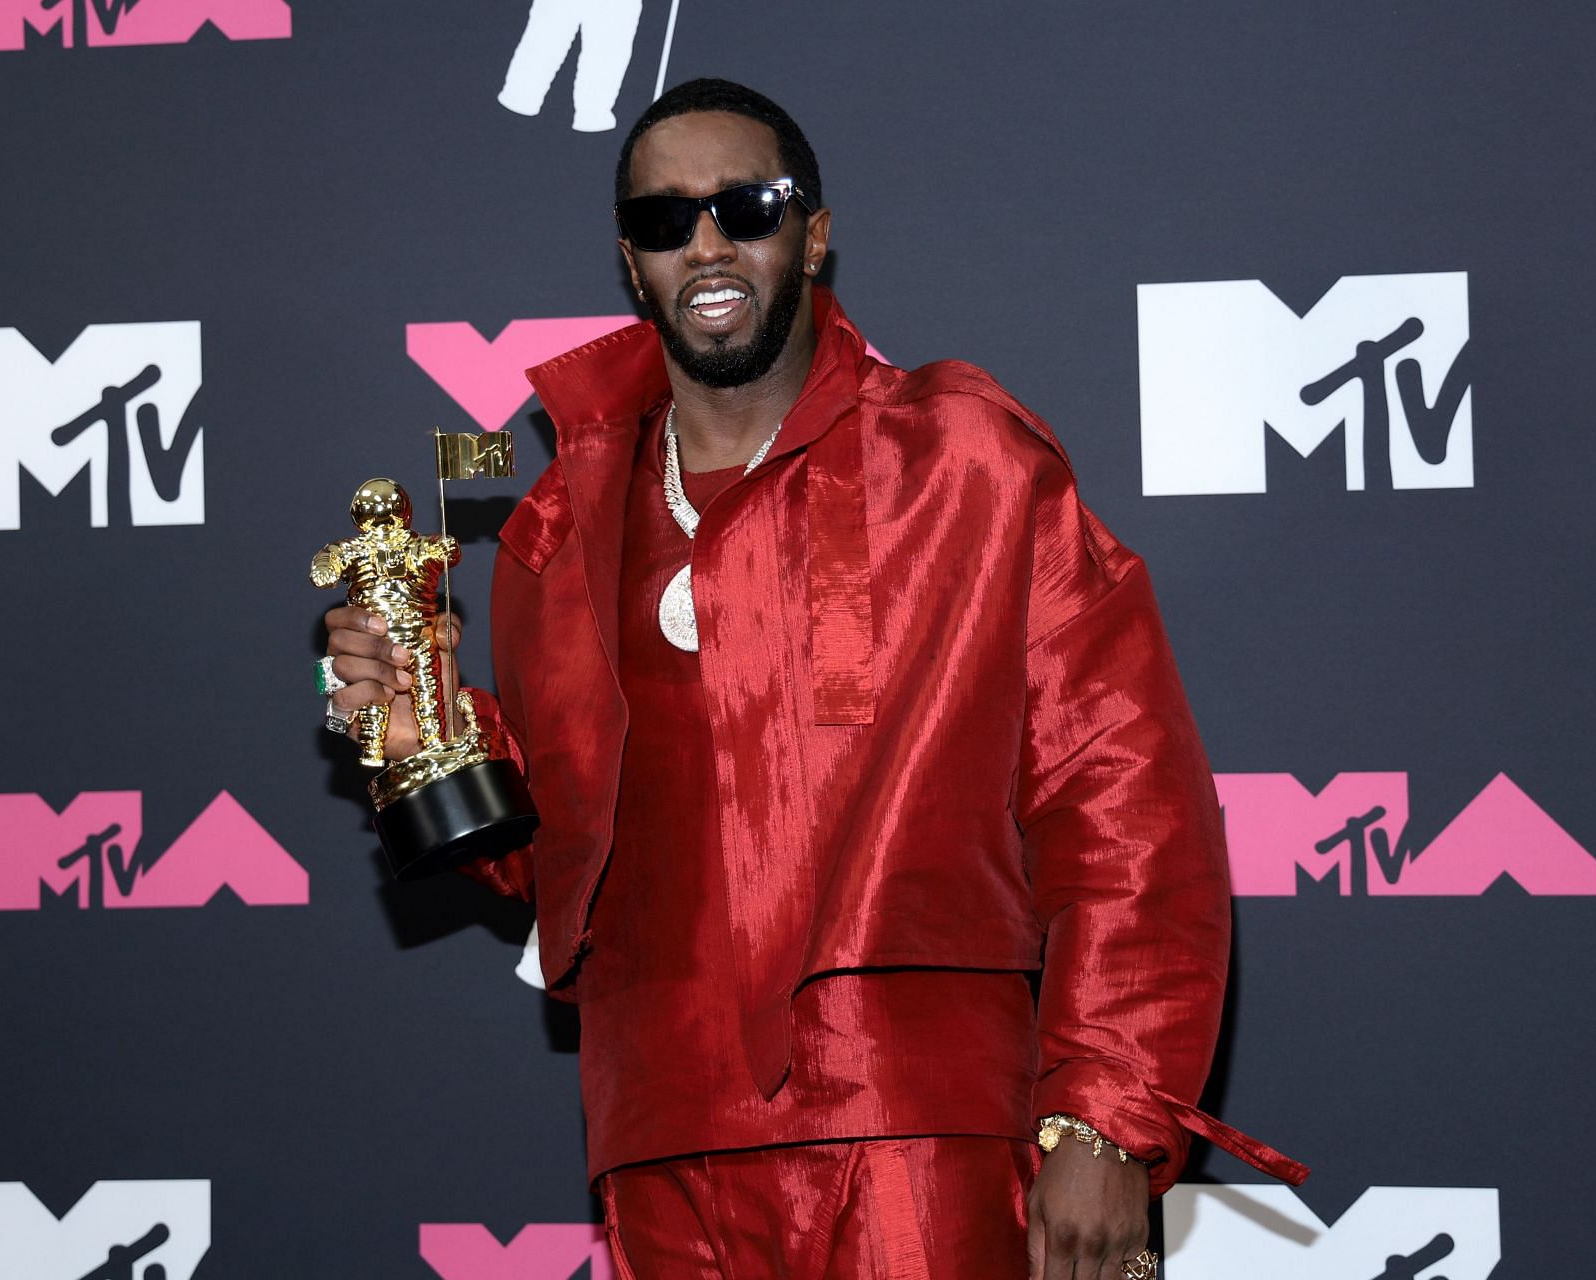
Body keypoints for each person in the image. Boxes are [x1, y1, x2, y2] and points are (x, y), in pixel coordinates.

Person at [323, 78, 1303, 1280]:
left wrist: (1103, 1110)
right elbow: (577, 858)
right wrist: (430, 733)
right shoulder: (553, 536)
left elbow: (1124, 798)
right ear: (631, 263)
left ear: (816, 232)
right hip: (656, 1144)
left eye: (747, 205)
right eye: (664, 220)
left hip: (919, 1129)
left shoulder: (965, 462)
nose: (708, 243)